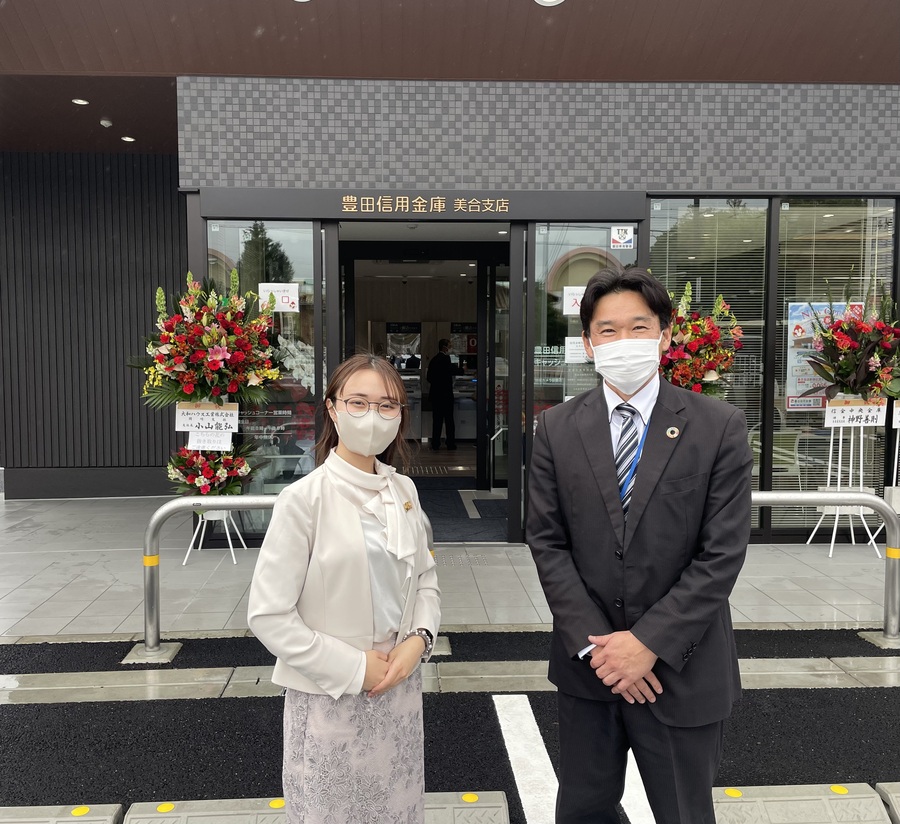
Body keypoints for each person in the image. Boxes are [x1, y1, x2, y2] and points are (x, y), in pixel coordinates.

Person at [526, 268, 752, 824]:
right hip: (591, 669)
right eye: (607, 330)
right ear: (587, 344)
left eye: (638, 327)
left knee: (683, 812)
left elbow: (722, 553)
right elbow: (547, 542)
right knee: (583, 811)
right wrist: (602, 651)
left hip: (681, 668)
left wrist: (648, 643)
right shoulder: (556, 429)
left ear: (664, 335)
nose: (623, 341)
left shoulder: (718, 426)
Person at [248, 353, 441, 824]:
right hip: (328, 699)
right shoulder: (303, 500)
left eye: (387, 405)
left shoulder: (404, 491)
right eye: (358, 402)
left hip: (398, 689)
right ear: (333, 409)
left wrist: (420, 640)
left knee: (398, 809)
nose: (373, 416)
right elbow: (269, 615)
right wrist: (355, 668)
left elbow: (426, 579)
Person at [426, 338, 458, 450]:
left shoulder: (434, 359)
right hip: (446, 395)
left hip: (436, 395)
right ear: (445, 347)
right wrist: (462, 370)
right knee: (449, 420)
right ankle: (450, 443)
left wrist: (437, 383)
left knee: (437, 421)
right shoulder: (446, 359)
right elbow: (451, 371)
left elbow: (429, 377)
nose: (451, 348)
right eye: (449, 346)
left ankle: (435, 443)